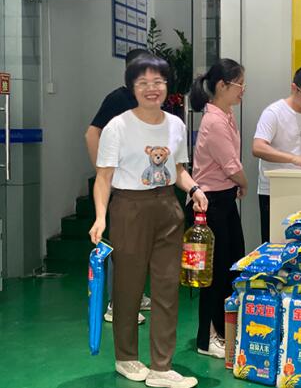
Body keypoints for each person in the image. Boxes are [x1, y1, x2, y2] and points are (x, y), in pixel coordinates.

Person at [89, 54, 207, 388]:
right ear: (132, 87)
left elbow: (178, 170)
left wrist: (194, 188)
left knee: (167, 287)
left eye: (158, 82)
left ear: (167, 86)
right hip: (129, 208)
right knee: (128, 287)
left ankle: (161, 367)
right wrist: (100, 217)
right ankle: (126, 357)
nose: (151, 88)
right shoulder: (117, 126)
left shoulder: (176, 125)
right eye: (143, 83)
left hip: (168, 207)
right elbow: (103, 177)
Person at [85, 47, 152, 325]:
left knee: (141, 245)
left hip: (143, 187)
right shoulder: (118, 99)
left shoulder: (145, 100)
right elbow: (91, 134)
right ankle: (116, 305)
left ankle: (136, 295)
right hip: (123, 187)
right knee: (124, 248)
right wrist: (103, 173)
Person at [188, 58, 247, 359]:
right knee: (213, 273)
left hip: (225, 199)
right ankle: (206, 337)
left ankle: (224, 331)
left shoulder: (226, 115)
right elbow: (231, 166)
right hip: (209, 204)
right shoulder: (214, 122)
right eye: (239, 85)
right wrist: (244, 183)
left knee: (231, 264)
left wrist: (238, 185)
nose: (243, 90)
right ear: (223, 85)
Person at [252, 65, 301, 244]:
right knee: (275, 243)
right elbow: (258, 147)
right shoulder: (274, 113)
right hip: (275, 191)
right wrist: (294, 159)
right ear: (294, 88)